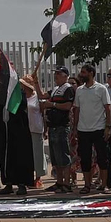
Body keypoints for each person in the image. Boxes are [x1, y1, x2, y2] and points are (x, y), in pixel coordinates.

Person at [70, 64, 111, 195]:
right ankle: (87, 185)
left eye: (83, 72)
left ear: (91, 73)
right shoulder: (80, 90)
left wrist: (108, 127)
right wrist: (75, 128)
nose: (81, 75)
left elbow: (108, 108)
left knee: (102, 158)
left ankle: (104, 185)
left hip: (99, 128)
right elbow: (76, 109)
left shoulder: (101, 89)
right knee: (85, 159)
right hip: (83, 130)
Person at [0, 69, 34, 197]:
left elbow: (21, 107)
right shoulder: (1, 94)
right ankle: (8, 183)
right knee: (4, 157)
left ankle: (22, 184)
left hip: (19, 131)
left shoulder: (20, 94)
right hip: (4, 131)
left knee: (20, 157)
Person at [43, 65, 75, 193]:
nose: (56, 76)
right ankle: (59, 181)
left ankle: (67, 183)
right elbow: (42, 95)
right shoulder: (56, 89)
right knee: (55, 156)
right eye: (55, 73)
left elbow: (67, 106)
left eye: (59, 74)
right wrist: (35, 83)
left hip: (62, 126)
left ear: (66, 76)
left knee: (63, 155)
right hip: (53, 126)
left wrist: (53, 105)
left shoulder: (68, 89)